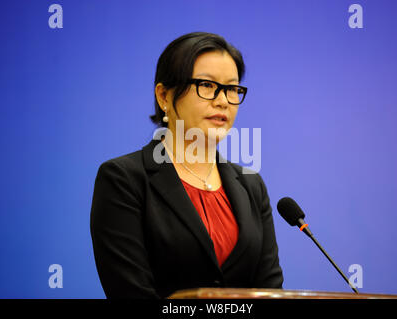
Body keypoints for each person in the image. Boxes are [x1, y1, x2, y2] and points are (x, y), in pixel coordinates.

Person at [90, 32, 284, 299]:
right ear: (164, 96)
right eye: (206, 85)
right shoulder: (124, 179)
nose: (223, 100)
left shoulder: (251, 184)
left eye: (231, 88)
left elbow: (270, 291)